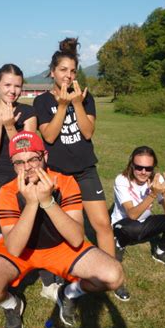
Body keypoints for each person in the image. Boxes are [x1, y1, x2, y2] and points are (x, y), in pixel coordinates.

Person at [0, 131, 123, 328]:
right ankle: (13, 304)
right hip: (21, 249)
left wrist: (48, 201)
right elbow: (14, 247)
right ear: (13, 165)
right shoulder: (7, 191)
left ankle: (67, 294)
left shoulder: (65, 182)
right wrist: (32, 203)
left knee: (113, 276)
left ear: (45, 157)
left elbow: (77, 238)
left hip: (60, 247)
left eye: (33, 158)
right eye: (19, 162)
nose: (27, 167)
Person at [33, 37, 116, 292]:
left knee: (102, 224)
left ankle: (111, 274)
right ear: (52, 72)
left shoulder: (85, 98)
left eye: (72, 71)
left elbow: (88, 132)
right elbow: (48, 136)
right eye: (63, 70)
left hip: (85, 170)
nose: (68, 76)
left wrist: (77, 103)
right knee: (69, 228)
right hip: (58, 174)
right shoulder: (42, 102)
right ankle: (68, 276)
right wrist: (62, 107)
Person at [111, 146, 165, 302]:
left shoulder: (157, 180)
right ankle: (119, 246)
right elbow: (132, 214)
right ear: (132, 165)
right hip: (123, 225)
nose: (143, 172)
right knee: (132, 226)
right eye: (139, 167)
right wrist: (153, 194)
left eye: (148, 168)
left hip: (144, 222)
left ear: (153, 168)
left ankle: (160, 251)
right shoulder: (121, 180)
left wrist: (164, 193)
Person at [0, 63, 36, 254]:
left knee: (23, 231)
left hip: (21, 179)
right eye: (7, 85)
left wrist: (11, 127)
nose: (13, 91)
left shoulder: (28, 114)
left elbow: (27, 155)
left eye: (17, 86)